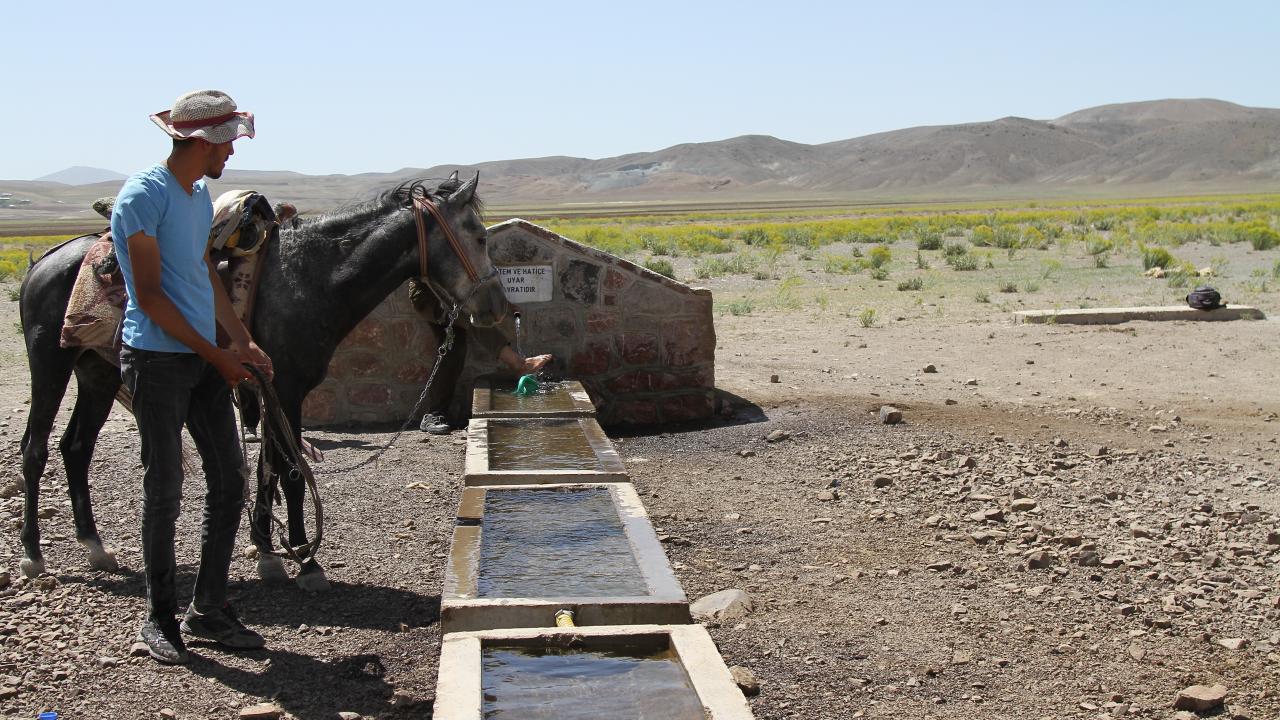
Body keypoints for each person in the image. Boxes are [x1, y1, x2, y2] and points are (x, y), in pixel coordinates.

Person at [111, 89, 273, 664]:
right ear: (202, 140)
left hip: (204, 355)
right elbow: (151, 298)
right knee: (165, 488)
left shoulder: (198, 196)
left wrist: (241, 341)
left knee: (229, 478)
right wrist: (216, 353)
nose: (230, 154)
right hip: (157, 359)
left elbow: (203, 270)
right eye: (227, 143)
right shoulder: (142, 198)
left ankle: (207, 609)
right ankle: (158, 618)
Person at [408, 279, 551, 433]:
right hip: (429, 294)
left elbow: (477, 274)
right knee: (475, 318)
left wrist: (504, 304)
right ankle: (518, 364)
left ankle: (436, 414)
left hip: (455, 295)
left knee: (454, 350)